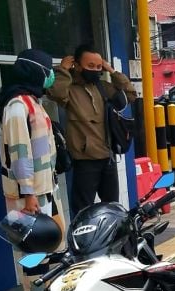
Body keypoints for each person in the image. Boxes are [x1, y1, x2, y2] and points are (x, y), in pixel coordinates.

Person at [0, 49, 65, 291]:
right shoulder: (17, 105)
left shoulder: (32, 100)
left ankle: (46, 280)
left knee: (50, 237)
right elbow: (19, 151)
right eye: (48, 71)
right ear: (36, 71)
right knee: (31, 240)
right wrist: (28, 192)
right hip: (29, 189)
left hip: (45, 184)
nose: (50, 76)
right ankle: (31, 289)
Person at [47, 44, 137, 215]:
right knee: (83, 210)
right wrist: (63, 69)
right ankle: (85, 241)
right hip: (85, 161)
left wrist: (110, 69)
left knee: (112, 208)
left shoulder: (102, 87)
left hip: (108, 158)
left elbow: (130, 94)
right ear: (77, 66)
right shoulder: (70, 89)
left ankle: (112, 240)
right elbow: (56, 93)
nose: (95, 70)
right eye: (90, 66)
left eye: (98, 67)